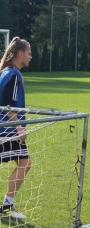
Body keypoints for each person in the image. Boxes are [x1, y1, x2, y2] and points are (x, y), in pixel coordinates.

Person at [0, 37, 32, 218]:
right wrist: (19, 127)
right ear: (20, 54)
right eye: (29, 53)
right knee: (25, 163)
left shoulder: (5, 71)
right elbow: (7, 104)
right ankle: (7, 205)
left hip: (4, 128)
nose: (30, 57)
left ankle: (7, 205)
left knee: (24, 163)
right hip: (8, 130)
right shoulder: (13, 74)